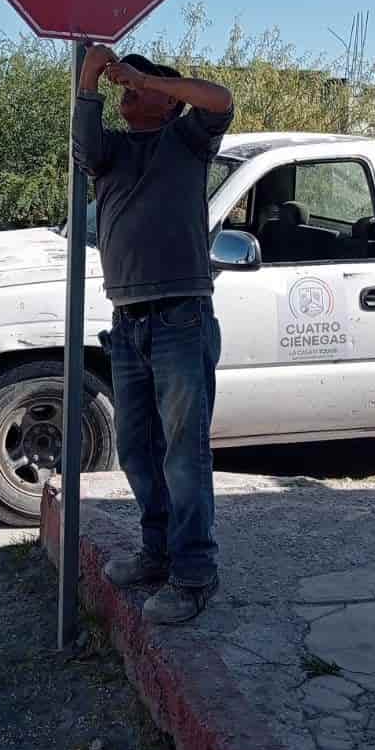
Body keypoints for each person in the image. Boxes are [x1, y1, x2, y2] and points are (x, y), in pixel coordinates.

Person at [73, 46, 234, 625]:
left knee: (184, 455)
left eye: (143, 88)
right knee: (138, 450)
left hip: (181, 318)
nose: (130, 91)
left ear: (169, 103)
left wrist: (147, 76)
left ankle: (194, 574)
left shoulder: (187, 143)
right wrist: (93, 72)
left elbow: (222, 101)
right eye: (128, 86)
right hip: (128, 321)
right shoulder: (111, 151)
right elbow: (83, 141)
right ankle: (157, 550)